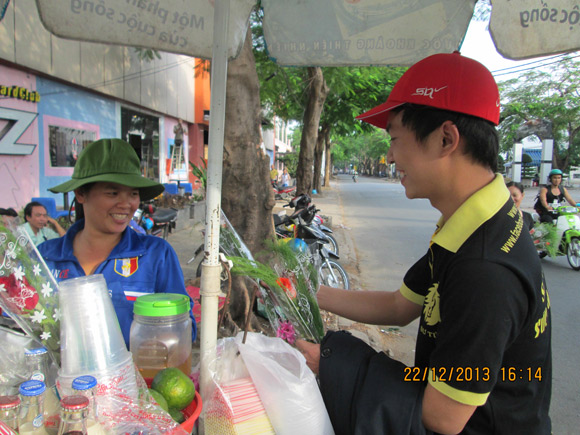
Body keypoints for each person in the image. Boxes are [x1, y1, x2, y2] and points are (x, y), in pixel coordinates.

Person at [296, 52, 551, 434]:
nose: (390, 156)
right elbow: (401, 305)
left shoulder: (484, 268)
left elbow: (443, 416)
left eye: (396, 139)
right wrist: (305, 293)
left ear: (446, 139)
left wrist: (332, 361)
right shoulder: (468, 224)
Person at [37, 138, 197, 348]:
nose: (126, 204)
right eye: (112, 193)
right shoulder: (45, 259)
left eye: (133, 194)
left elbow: (185, 329)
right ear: (81, 193)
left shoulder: (155, 255)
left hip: (136, 380)